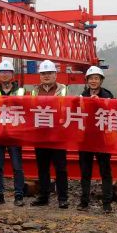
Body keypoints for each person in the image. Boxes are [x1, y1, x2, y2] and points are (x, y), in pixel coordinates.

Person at [30, 60, 69, 209]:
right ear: (40, 76)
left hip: (58, 135)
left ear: (55, 75)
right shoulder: (34, 91)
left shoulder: (63, 90)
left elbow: (67, 109)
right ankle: (43, 196)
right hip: (40, 135)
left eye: (49, 73)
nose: (46, 76)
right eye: (43, 73)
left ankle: (63, 198)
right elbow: (31, 110)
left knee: (61, 168)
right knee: (42, 168)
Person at [0, 59, 26, 207]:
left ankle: (19, 195)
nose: (4, 75)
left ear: (12, 74)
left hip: (14, 134)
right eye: (2, 72)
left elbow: (24, 108)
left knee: (17, 166)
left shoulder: (21, 91)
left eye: (7, 72)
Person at [78, 66, 115, 213]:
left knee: (105, 172)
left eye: (96, 78)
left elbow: (113, 113)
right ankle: (84, 202)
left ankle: (107, 203)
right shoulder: (82, 96)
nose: (93, 81)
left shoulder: (108, 95)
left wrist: (99, 102)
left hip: (103, 139)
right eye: (91, 78)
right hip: (86, 138)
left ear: (101, 80)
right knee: (85, 171)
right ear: (87, 80)